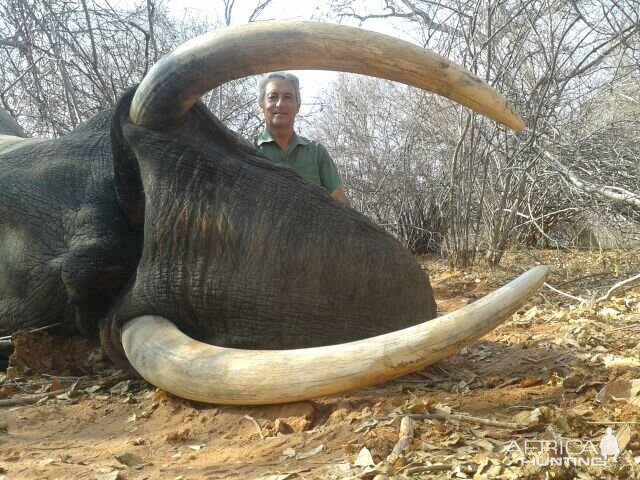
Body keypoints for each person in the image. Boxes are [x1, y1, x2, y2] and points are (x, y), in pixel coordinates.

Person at [254, 72, 351, 207]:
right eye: (273, 97)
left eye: (288, 97)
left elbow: (342, 203)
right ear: (261, 106)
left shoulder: (317, 152)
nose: (280, 104)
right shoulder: (248, 150)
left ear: (298, 106)